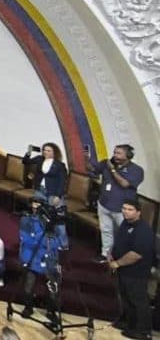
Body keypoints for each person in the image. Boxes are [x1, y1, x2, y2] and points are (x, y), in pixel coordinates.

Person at [86, 144, 144, 264]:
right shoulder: (106, 163)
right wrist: (86, 158)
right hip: (104, 204)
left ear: (128, 156)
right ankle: (105, 255)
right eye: (114, 152)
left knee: (123, 235)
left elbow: (124, 184)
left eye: (119, 153)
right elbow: (91, 169)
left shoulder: (137, 170)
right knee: (106, 231)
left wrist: (112, 169)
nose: (115, 155)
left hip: (122, 209)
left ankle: (122, 260)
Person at [110, 199, 155, 339]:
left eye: (130, 209)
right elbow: (119, 241)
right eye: (124, 208)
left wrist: (117, 263)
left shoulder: (144, 231)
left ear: (138, 212)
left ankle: (143, 331)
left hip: (136, 272)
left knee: (138, 301)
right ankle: (130, 324)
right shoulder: (125, 223)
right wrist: (111, 254)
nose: (125, 211)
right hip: (123, 269)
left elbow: (136, 254)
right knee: (126, 298)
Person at [18, 196, 64, 320]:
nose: (36, 207)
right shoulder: (25, 220)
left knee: (53, 288)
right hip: (32, 257)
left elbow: (60, 241)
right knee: (29, 285)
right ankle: (28, 307)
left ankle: (51, 311)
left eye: (39, 204)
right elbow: (26, 240)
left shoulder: (53, 221)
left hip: (49, 258)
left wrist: (44, 241)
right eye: (34, 203)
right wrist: (43, 240)